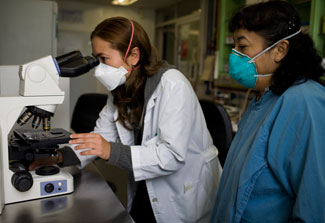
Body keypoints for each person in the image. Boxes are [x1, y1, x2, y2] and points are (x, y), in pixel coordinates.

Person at [30, 17, 222, 223]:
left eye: (104, 59)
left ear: (133, 56)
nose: (99, 69)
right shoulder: (122, 89)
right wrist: (60, 157)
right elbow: (100, 136)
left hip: (183, 191)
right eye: (96, 59)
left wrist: (111, 150)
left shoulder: (173, 85)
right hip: (147, 185)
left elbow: (172, 155)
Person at [210, 1, 325, 222]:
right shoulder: (264, 96)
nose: (234, 56)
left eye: (242, 47)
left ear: (280, 50)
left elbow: (315, 205)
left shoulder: (305, 102)